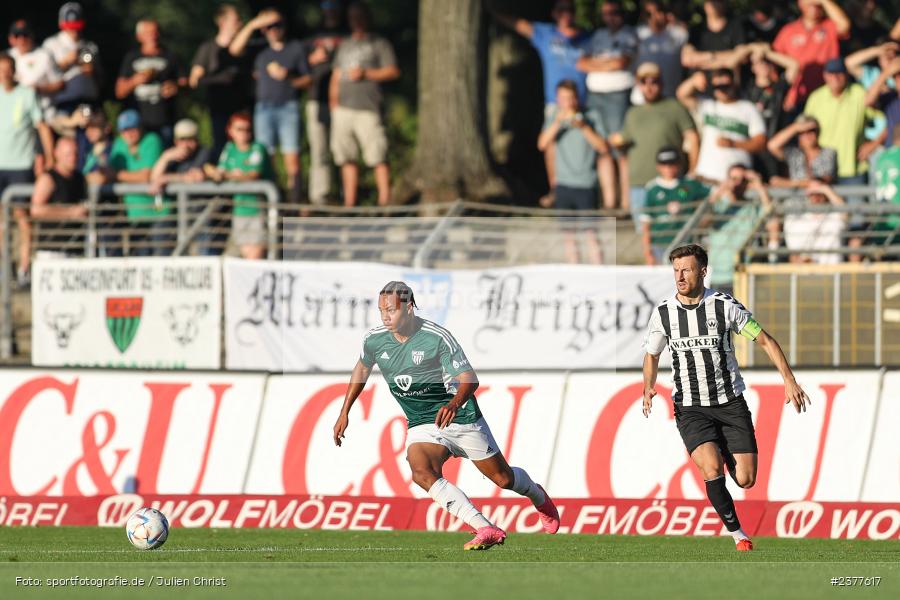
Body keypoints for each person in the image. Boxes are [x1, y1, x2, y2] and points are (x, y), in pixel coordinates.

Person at [333, 281, 560, 551]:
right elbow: (361, 369)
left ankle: (538, 496)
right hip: (422, 421)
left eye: (391, 310)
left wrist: (453, 404)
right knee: (421, 472)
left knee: (503, 479)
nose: (385, 317)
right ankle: (484, 527)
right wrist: (344, 412)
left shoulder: (436, 337)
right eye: (381, 310)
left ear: (409, 307)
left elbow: (469, 379)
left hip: (460, 416)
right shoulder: (374, 339)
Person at [643, 243, 809, 552]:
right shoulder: (664, 312)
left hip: (730, 403)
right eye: (676, 270)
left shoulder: (724, 306)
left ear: (703, 271)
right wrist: (648, 386)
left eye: (687, 270)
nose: (680, 276)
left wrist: (789, 380)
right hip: (690, 406)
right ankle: (739, 535)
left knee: (746, 479)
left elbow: (765, 340)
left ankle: (723, 446)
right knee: (711, 469)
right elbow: (652, 354)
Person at [490, 0, 589, 201]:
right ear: (554, 13)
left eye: (570, 9)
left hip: (583, 102)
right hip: (555, 102)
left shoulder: (587, 37)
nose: (566, 14)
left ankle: (591, 188)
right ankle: (556, 189)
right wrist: (492, 11)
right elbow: (520, 25)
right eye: (561, 9)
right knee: (550, 143)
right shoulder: (547, 34)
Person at [230, 8, 310, 205]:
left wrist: (288, 77)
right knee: (266, 159)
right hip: (264, 109)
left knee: (292, 159)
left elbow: (308, 79)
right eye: (269, 26)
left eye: (277, 25)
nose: (273, 30)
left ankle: (294, 205)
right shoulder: (259, 49)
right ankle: (271, 206)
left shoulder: (295, 48)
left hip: (288, 107)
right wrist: (253, 24)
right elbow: (234, 50)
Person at [329, 2, 399, 207]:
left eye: (359, 16)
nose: (356, 21)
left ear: (367, 18)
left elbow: (393, 71)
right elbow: (336, 75)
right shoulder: (345, 44)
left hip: (368, 108)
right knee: (346, 157)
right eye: (352, 17)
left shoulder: (379, 43)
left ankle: (384, 203)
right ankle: (350, 204)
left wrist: (366, 74)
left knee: (377, 155)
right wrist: (334, 103)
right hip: (343, 109)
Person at [612, 61, 698, 225]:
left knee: (672, 231)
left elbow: (692, 137)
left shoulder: (674, 107)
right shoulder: (632, 112)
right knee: (643, 234)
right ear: (638, 85)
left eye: (654, 81)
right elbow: (624, 150)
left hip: (669, 183)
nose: (649, 87)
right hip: (638, 184)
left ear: (662, 83)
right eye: (643, 82)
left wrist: (693, 170)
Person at [537, 80, 609, 264]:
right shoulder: (554, 116)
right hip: (563, 184)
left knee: (591, 234)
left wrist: (583, 126)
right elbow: (542, 144)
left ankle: (599, 272)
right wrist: (557, 123)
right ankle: (574, 271)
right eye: (563, 98)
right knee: (568, 237)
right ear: (557, 99)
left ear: (577, 98)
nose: (568, 103)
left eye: (571, 98)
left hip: (586, 184)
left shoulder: (591, 116)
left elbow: (602, 147)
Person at [0, 52, 54, 287]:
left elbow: (41, 126)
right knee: (1, 220)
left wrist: (49, 157)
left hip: (20, 164)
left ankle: (24, 267)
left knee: (22, 216)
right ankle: (5, 266)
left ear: (14, 71)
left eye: (7, 69)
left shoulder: (27, 94)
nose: (4, 74)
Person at [576, 0, 636, 209]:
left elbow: (621, 62)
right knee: (602, 148)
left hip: (617, 95)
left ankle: (626, 203)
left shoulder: (628, 34)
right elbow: (581, 63)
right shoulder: (598, 35)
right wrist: (607, 64)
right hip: (595, 95)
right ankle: (610, 203)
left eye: (615, 12)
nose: (611, 17)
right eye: (606, 13)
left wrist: (597, 63)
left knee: (619, 147)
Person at [677, 68, 767, 184]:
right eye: (717, 87)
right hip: (706, 178)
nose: (722, 90)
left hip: (736, 181)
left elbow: (761, 143)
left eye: (725, 86)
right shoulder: (707, 106)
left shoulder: (748, 108)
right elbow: (682, 95)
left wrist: (734, 144)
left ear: (734, 84)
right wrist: (694, 80)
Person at [207, 112, 272, 259]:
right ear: (230, 131)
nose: (244, 133)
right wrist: (214, 173)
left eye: (247, 129)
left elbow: (253, 175)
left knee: (254, 258)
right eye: (239, 129)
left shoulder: (257, 148)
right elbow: (220, 172)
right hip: (239, 211)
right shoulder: (230, 148)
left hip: (258, 211)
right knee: (241, 257)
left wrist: (228, 175)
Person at [190, 4, 251, 159]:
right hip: (218, 110)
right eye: (236, 20)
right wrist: (220, 79)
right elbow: (194, 80)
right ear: (222, 22)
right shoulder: (208, 48)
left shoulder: (245, 48)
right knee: (220, 151)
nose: (240, 24)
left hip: (242, 110)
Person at [107, 109, 169, 256]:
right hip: (134, 215)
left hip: (158, 212)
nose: (128, 134)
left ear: (140, 127)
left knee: (162, 259)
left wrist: (118, 175)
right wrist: (122, 175)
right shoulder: (119, 144)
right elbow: (108, 173)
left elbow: (146, 176)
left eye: (132, 128)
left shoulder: (151, 140)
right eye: (124, 130)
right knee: (140, 259)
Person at [303, 1, 346, 206]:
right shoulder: (312, 36)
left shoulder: (347, 34)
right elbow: (296, 66)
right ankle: (320, 196)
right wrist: (312, 59)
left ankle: (345, 196)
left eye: (334, 8)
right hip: (317, 99)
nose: (331, 13)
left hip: (344, 100)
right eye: (328, 9)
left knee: (343, 150)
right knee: (319, 151)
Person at [116, 19, 185, 145]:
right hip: (138, 126)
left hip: (165, 121)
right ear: (139, 36)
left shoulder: (170, 56)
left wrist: (176, 87)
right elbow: (119, 92)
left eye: (156, 32)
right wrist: (135, 81)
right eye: (149, 33)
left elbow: (185, 83)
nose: (154, 36)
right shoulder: (131, 58)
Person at [772, 0, 850, 112]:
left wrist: (824, 1)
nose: (814, 4)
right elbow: (773, 64)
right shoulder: (788, 30)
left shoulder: (829, 26)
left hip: (826, 97)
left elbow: (844, 25)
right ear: (800, 3)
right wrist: (781, 93)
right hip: (795, 99)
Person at [640, 147, 710, 265]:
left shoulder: (690, 184)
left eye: (672, 164)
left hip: (686, 244)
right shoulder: (652, 188)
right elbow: (646, 223)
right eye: (664, 164)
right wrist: (647, 252)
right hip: (660, 244)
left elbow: (713, 195)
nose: (668, 168)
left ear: (679, 165)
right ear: (658, 166)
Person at [42, 3, 102, 116]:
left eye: (77, 26)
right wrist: (66, 62)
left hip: (88, 99)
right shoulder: (51, 44)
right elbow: (44, 76)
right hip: (63, 101)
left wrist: (92, 71)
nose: (74, 30)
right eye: (70, 26)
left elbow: (100, 78)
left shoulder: (90, 46)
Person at [29, 137, 87, 254]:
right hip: (52, 251)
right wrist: (70, 213)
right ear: (57, 154)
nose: (73, 158)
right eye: (68, 154)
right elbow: (36, 210)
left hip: (75, 249)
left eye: (75, 153)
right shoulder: (48, 178)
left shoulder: (80, 178)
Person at [782, 181, 848, 263]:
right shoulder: (795, 220)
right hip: (807, 269)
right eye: (812, 193)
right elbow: (794, 256)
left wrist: (826, 190)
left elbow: (845, 212)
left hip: (832, 268)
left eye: (819, 193)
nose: (816, 197)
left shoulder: (834, 216)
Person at [634, 0, 687, 102]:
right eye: (649, 14)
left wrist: (675, 21)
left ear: (665, 13)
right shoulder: (637, 34)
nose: (653, 17)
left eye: (657, 11)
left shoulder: (679, 34)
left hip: (670, 95)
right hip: (642, 97)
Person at [767, 114, 837, 188]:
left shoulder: (828, 153)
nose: (807, 135)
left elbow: (821, 182)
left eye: (811, 130)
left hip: (821, 195)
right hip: (796, 195)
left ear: (818, 132)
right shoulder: (794, 154)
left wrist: (787, 183)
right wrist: (795, 127)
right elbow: (772, 146)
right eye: (802, 132)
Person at [681, 1, 748, 72]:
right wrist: (714, 57)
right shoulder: (697, 30)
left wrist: (702, 61)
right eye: (710, 1)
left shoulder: (735, 27)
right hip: (701, 78)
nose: (713, 5)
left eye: (717, 1)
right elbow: (686, 59)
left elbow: (742, 57)